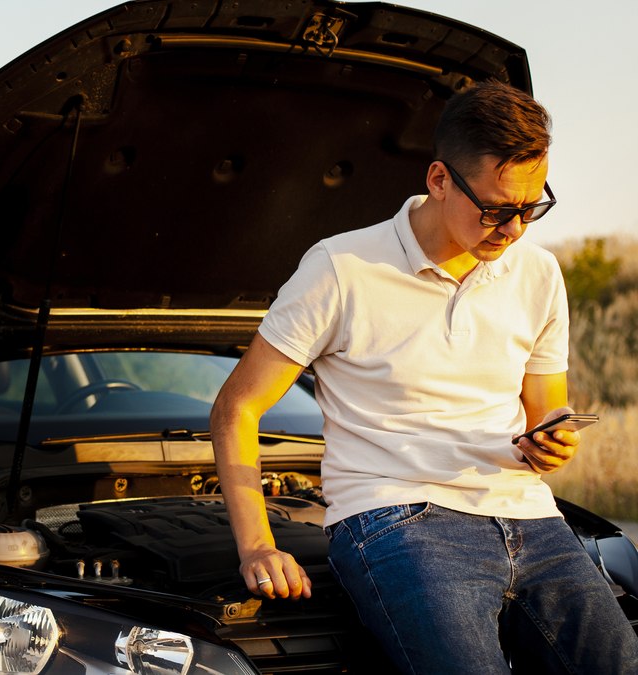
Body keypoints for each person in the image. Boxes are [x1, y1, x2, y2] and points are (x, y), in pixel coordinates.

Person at [210, 79, 638, 673]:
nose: (513, 229)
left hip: (530, 514)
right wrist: (257, 543)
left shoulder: (538, 273)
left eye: (531, 207)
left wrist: (552, 437)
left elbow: (548, 411)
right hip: (395, 516)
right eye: (495, 209)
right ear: (439, 180)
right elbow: (237, 407)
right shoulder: (341, 268)